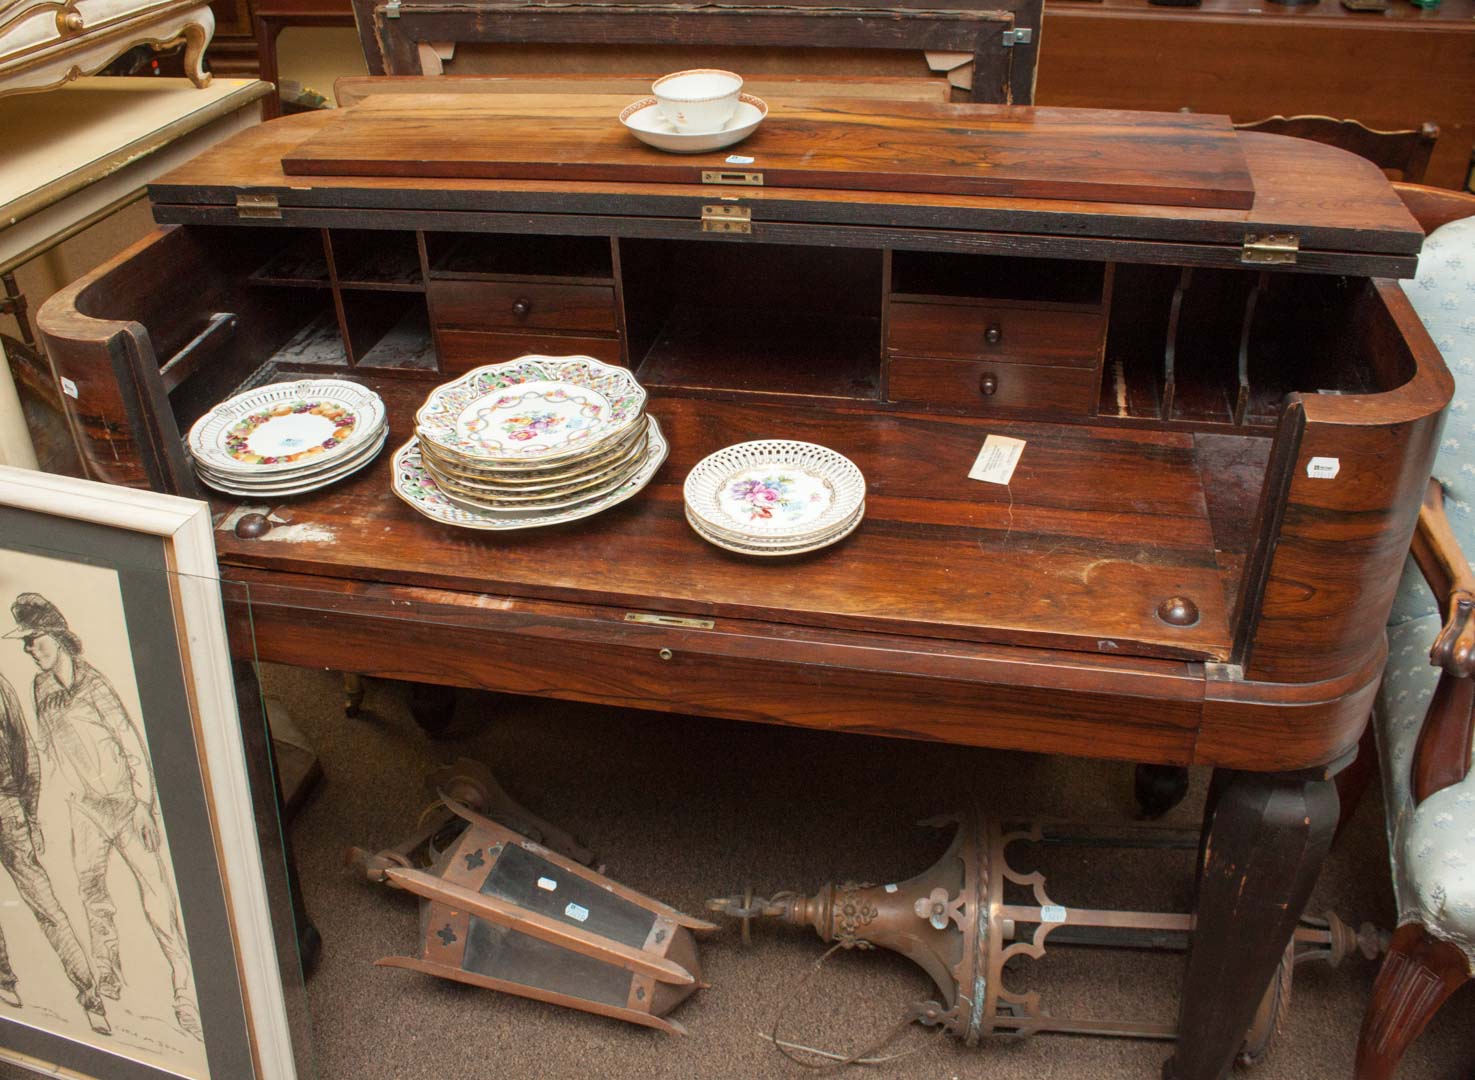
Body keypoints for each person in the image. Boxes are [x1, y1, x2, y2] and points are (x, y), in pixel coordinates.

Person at [5, 594, 201, 1040]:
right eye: (27, 643)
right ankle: (108, 973)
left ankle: (185, 992)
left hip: (125, 806)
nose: (30, 650)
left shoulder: (95, 686)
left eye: (35, 640)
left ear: (56, 636)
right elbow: (45, 751)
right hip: (84, 811)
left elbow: (132, 746)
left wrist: (145, 806)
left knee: (157, 899)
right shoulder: (40, 689)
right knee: (92, 893)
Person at [0, 671, 109, 1034]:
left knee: (47, 907)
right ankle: (6, 979)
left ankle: (90, 996)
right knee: (48, 909)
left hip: (8, 806)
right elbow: (25, 752)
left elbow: (24, 752)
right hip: (12, 807)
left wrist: (30, 816)